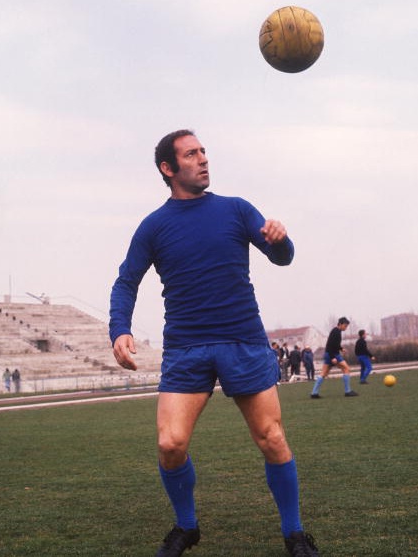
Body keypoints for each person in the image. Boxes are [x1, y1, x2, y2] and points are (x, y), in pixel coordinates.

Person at [109, 130, 319, 557]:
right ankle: (186, 527)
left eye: (204, 152)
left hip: (243, 340)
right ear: (168, 168)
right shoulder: (153, 226)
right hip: (186, 348)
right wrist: (120, 329)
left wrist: (282, 240)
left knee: (272, 437)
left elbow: (282, 257)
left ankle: (295, 534)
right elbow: (126, 280)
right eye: (191, 154)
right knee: (170, 444)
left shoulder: (236, 209)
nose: (203, 159)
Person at [310, 317, 357, 398]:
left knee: (324, 373)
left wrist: (341, 349)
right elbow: (330, 345)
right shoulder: (336, 332)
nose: (346, 328)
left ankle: (314, 393)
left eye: (346, 326)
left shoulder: (336, 331)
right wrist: (332, 357)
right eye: (345, 326)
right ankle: (348, 391)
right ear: (340, 324)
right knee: (346, 368)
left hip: (329, 354)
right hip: (333, 354)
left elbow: (334, 344)